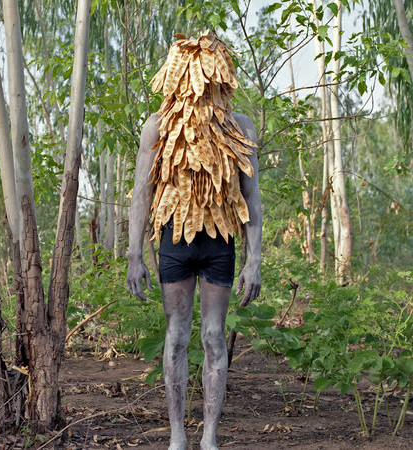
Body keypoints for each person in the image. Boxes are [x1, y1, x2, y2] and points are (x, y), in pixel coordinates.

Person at [126, 31, 262, 450]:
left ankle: (209, 439)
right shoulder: (158, 127)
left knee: (214, 337)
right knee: (177, 337)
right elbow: (141, 193)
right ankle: (177, 437)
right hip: (175, 242)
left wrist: (254, 259)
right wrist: (134, 254)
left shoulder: (239, 127)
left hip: (219, 242)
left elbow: (252, 196)